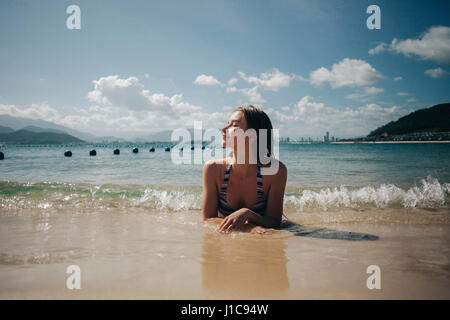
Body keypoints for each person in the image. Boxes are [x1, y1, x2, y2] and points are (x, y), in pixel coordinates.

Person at [201, 105, 287, 234]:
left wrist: (248, 214)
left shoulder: (276, 171)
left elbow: (274, 221)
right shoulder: (213, 169)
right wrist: (247, 226)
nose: (224, 129)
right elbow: (208, 219)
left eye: (234, 125)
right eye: (227, 124)